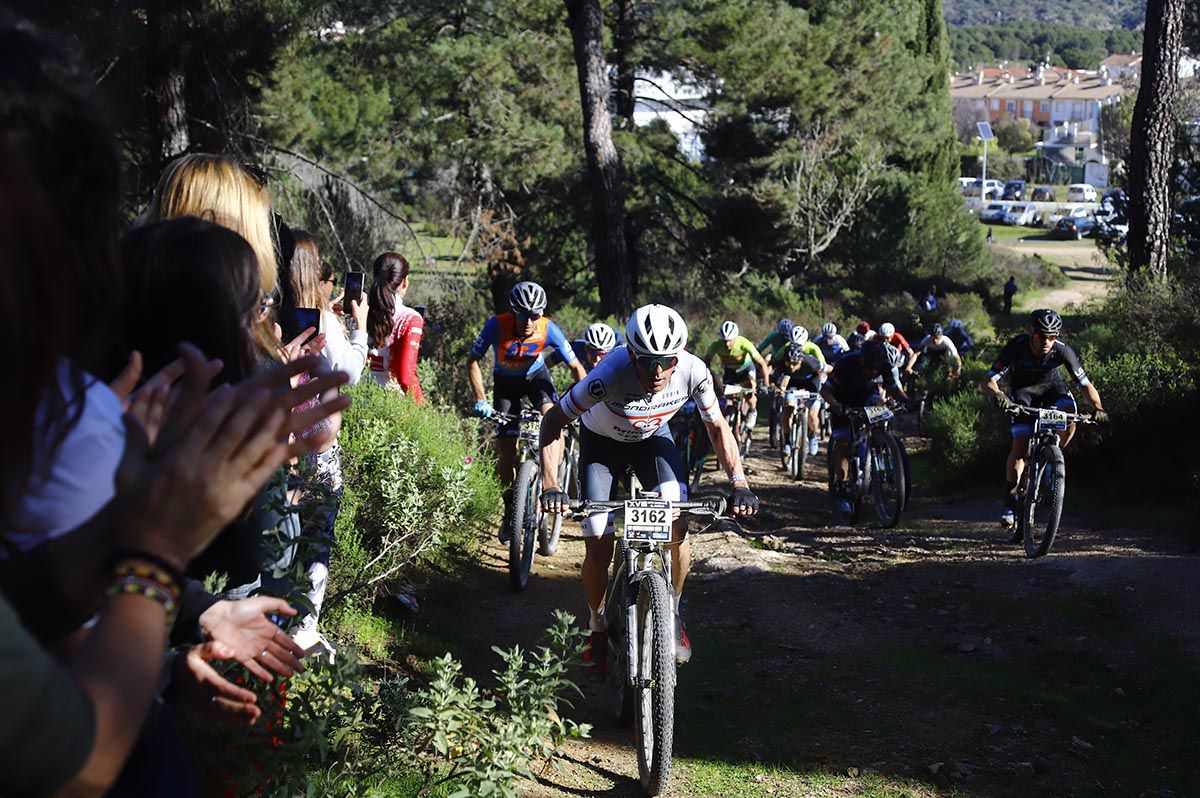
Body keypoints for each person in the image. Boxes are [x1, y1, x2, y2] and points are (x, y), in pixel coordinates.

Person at [538, 305, 759, 666]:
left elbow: (717, 426)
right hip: (601, 447)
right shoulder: (607, 374)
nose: (657, 372)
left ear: (679, 356)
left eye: (666, 361)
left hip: (653, 440)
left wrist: (740, 481)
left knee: (678, 524)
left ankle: (671, 612)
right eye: (646, 361)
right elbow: (553, 422)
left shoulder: (693, 371)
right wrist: (550, 482)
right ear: (631, 354)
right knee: (597, 545)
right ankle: (596, 627)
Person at [468, 281, 587, 540]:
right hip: (505, 384)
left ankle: (550, 483)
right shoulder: (496, 325)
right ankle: (510, 509)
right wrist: (481, 398)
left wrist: (587, 401)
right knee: (506, 455)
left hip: (536, 378)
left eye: (535, 315)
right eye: (522, 314)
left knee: (551, 415)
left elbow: (576, 367)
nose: (528, 321)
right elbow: (473, 361)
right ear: (513, 311)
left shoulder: (547, 328)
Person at [979, 309, 1108, 530]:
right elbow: (988, 380)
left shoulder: (1062, 351)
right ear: (1032, 332)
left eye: (1053, 336)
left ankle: (1052, 455)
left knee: (1070, 415)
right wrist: (999, 395)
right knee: (1019, 446)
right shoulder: (1017, 346)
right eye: (1042, 336)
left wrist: (1098, 407)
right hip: (1023, 393)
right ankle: (1010, 503)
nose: (1047, 341)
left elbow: (1085, 384)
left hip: (1052, 389)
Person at [820, 342, 908, 519]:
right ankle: (843, 486)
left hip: (868, 396)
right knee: (844, 440)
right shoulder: (845, 363)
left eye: (877, 370)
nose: (873, 373)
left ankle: (878, 447)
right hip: (843, 399)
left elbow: (892, 388)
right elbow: (825, 390)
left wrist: (907, 400)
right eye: (870, 369)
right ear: (862, 361)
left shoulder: (882, 363)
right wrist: (836, 405)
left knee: (879, 409)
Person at [366, 252, 425, 403]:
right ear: (404, 282)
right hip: (391, 405)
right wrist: (423, 411)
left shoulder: (358, 311)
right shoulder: (411, 319)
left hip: (354, 399)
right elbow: (406, 376)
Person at [704, 320, 771, 431]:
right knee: (727, 398)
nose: (727, 344)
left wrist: (765, 384)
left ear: (735, 337)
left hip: (746, 370)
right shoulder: (716, 345)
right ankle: (730, 422)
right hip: (730, 372)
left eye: (730, 341)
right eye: (724, 340)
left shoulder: (744, 343)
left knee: (749, 391)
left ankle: (753, 410)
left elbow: (761, 363)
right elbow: (706, 362)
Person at [776, 344, 826, 459]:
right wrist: (780, 390)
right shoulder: (783, 365)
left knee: (813, 414)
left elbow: (828, 369)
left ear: (801, 360)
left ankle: (813, 436)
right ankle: (787, 441)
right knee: (788, 407)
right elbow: (783, 381)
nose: (792, 367)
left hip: (812, 385)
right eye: (789, 363)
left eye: (795, 364)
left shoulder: (811, 363)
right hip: (793, 385)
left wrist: (827, 383)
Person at [545, 321, 622, 373]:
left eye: (602, 355)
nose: (597, 360)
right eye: (593, 354)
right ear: (586, 348)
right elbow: (546, 363)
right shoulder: (576, 347)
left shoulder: (619, 353)